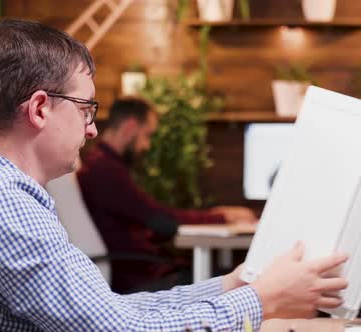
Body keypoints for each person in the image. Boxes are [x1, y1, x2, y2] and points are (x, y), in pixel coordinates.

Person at [0, 19, 349, 331]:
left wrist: (235, 286)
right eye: (85, 109)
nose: (91, 129)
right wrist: (263, 300)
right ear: (40, 109)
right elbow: (118, 329)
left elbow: (109, 312)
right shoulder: (0, 201)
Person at [77, 97, 258, 293]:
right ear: (130, 127)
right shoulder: (104, 170)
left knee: (228, 273)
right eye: (147, 135)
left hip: (143, 272)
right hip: (140, 280)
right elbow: (159, 219)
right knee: (241, 278)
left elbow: (148, 218)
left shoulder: (102, 165)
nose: (146, 146)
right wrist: (223, 216)